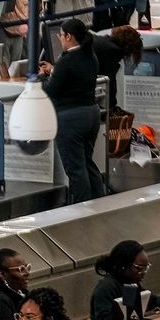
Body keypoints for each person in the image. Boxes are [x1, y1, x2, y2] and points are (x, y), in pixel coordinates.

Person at [37, 18, 104, 204]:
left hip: (70, 119)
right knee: (87, 163)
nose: (59, 39)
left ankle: (81, 209)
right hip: (91, 114)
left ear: (69, 36)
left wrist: (45, 77)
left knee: (76, 169)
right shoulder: (90, 55)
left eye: (60, 35)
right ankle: (101, 202)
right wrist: (54, 70)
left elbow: (51, 91)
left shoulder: (66, 61)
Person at [87, 240, 160, 320]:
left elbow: (154, 301)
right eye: (139, 268)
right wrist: (141, 316)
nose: (144, 272)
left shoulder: (131, 284)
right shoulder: (106, 288)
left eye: (146, 268)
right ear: (123, 266)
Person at [0, 248, 32, 320]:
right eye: (20, 269)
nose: (27, 273)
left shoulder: (23, 292)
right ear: (2, 274)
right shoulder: (1, 302)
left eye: (27, 267)